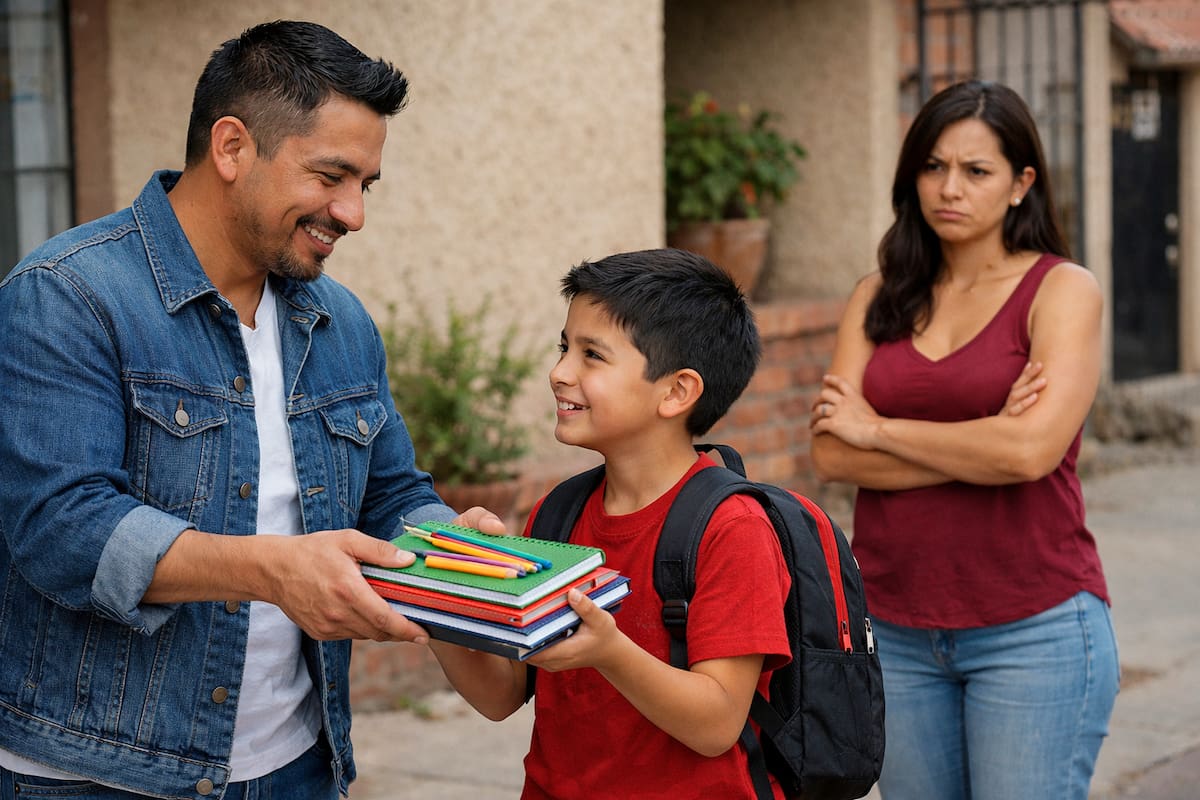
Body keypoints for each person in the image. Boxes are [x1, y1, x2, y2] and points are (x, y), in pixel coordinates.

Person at [0, 20, 503, 800]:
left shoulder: (340, 322)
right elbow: (62, 528)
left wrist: (450, 548)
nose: (353, 213)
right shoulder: (68, 295)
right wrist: (271, 571)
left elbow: (392, 495)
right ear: (232, 147)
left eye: (364, 186)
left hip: (299, 765)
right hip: (95, 777)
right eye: (331, 176)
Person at [809, 79, 1119, 800]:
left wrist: (879, 429)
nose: (950, 188)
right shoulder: (878, 294)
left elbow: (1029, 453)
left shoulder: (1062, 291)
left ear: (1021, 184)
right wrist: (982, 443)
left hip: (1033, 627)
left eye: (976, 171)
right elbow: (831, 455)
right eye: (933, 166)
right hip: (893, 622)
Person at [430, 249, 792, 799]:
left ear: (676, 392)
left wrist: (610, 651)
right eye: (564, 347)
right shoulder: (559, 511)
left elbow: (717, 724)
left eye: (592, 355)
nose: (559, 372)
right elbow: (502, 696)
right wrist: (443, 597)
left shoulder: (732, 528)